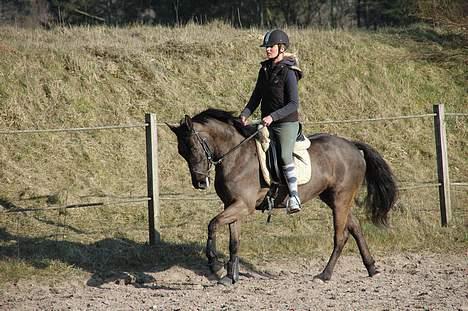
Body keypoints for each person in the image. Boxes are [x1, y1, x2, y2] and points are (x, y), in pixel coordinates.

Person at [239, 29, 303, 214]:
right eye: (266, 47)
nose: (267, 50)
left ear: (281, 48)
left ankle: (294, 196)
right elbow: (256, 97)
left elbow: (293, 104)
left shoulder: (289, 72)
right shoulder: (264, 69)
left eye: (271, 46)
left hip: (286, 123)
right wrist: (245, 114)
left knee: (284, 155)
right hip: (267, 123)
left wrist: (272, 117)